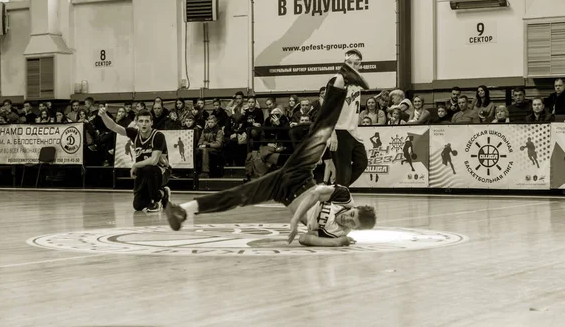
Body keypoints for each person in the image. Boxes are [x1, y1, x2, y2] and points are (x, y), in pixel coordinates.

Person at [164, 62, 377, 246]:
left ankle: (182, 211)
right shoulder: (345, 199)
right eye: (351, 215)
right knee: (321, 134)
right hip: (300, 176)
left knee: (238, 196)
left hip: (281, 190)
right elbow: (316, 193)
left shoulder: (339, 233)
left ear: (355, 229)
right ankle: (342, 78)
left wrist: (336, 242)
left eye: (351, 223)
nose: (347, 219)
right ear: (354, 208)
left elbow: (305, 240)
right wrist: (295, 221)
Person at [98, 107, 171, 212]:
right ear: (136, 122)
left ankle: (156, 200)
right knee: (138, 205)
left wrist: (136, 165)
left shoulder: (158, 136)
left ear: (152, 122)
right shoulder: (135, 134)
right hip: (143, 171)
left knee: (149, 168)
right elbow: (113, 126)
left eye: (147, 121)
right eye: (141, 121)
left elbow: (154, 160)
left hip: (161, 171)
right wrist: (104, 115)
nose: (144, 124)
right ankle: (163, 193)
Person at [329, 49, 369, 187]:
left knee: (362, 163)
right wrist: (332, 133)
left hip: (353, 131)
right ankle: (338, 196)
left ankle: (335, 191)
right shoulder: (338, 80)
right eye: (350, 62)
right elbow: (329, 108)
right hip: (339, 130)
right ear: (344, 63)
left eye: (356, 63)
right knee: (343, 171)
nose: (353, 65)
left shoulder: (357, 82)